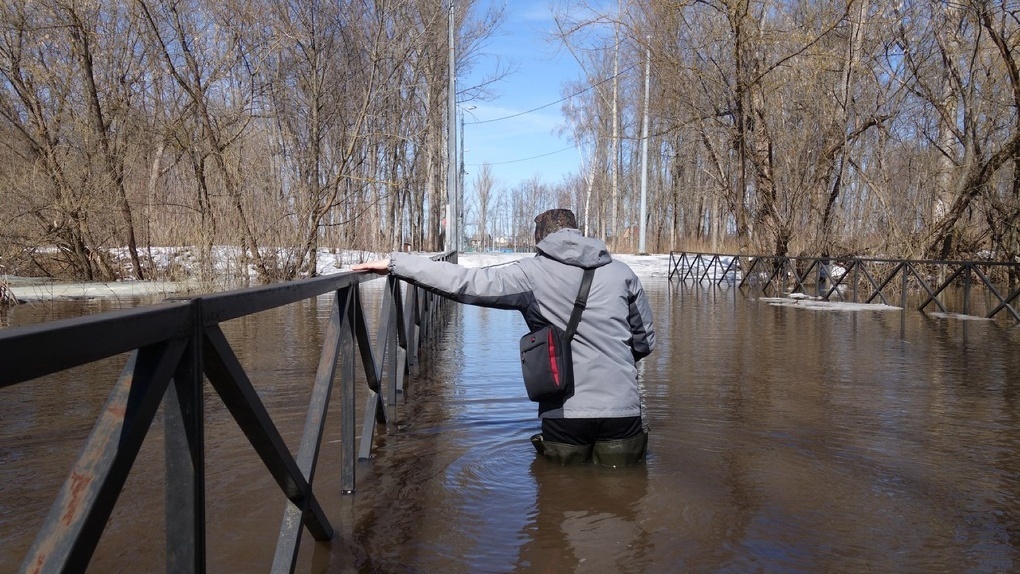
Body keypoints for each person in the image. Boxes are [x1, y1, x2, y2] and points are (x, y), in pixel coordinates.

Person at [352, 208, 655, 466]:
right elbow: (644, 342)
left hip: (565, 411)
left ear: (541, 238)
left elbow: (465, 282)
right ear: (580, 232)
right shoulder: (623, 273)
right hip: (623, 408)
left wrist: (397, 264)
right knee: (623, 497)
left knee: (561, 499)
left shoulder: (529, 273)